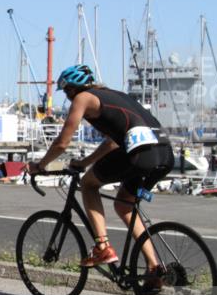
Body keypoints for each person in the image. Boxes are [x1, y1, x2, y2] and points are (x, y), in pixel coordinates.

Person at [27, 64, 173, 282]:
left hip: (140, 154)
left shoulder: (83, 98)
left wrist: (40, 165)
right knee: (124, 205)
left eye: (66, 92)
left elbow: (62, 143)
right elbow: (113, 142)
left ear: (74, 88)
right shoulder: (113, 95)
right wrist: (85, 161)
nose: (67, 98)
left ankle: (102, 247)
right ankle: (154, 268)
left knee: (88, 184)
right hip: (164, 154)